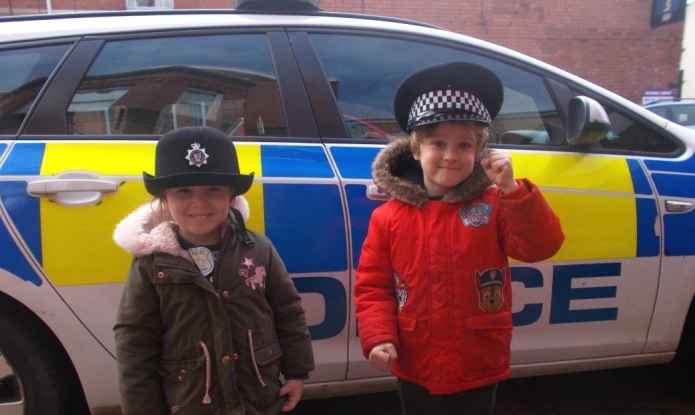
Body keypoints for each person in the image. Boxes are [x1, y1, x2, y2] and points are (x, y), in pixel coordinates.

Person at [354, 61, 565, 415]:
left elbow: (539, 246)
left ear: (480, 153)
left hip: (477, 362)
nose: (451, 156)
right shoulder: (387, 217)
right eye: (438, 142)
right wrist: (379, 337)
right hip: (415, 362)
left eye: (464, 145)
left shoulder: (498, 204)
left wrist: (512, 189)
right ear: (416, 150)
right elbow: (373, 287)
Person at [113, 126, 314, 415]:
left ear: (232, 197)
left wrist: (297, 371)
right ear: (165, 200)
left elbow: (288, 311)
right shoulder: (151, 263)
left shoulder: (259, 248)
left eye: (213, 189)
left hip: (259, 400)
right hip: (192, 403)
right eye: (184, 191)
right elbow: (134, 340)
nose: (199, 202)